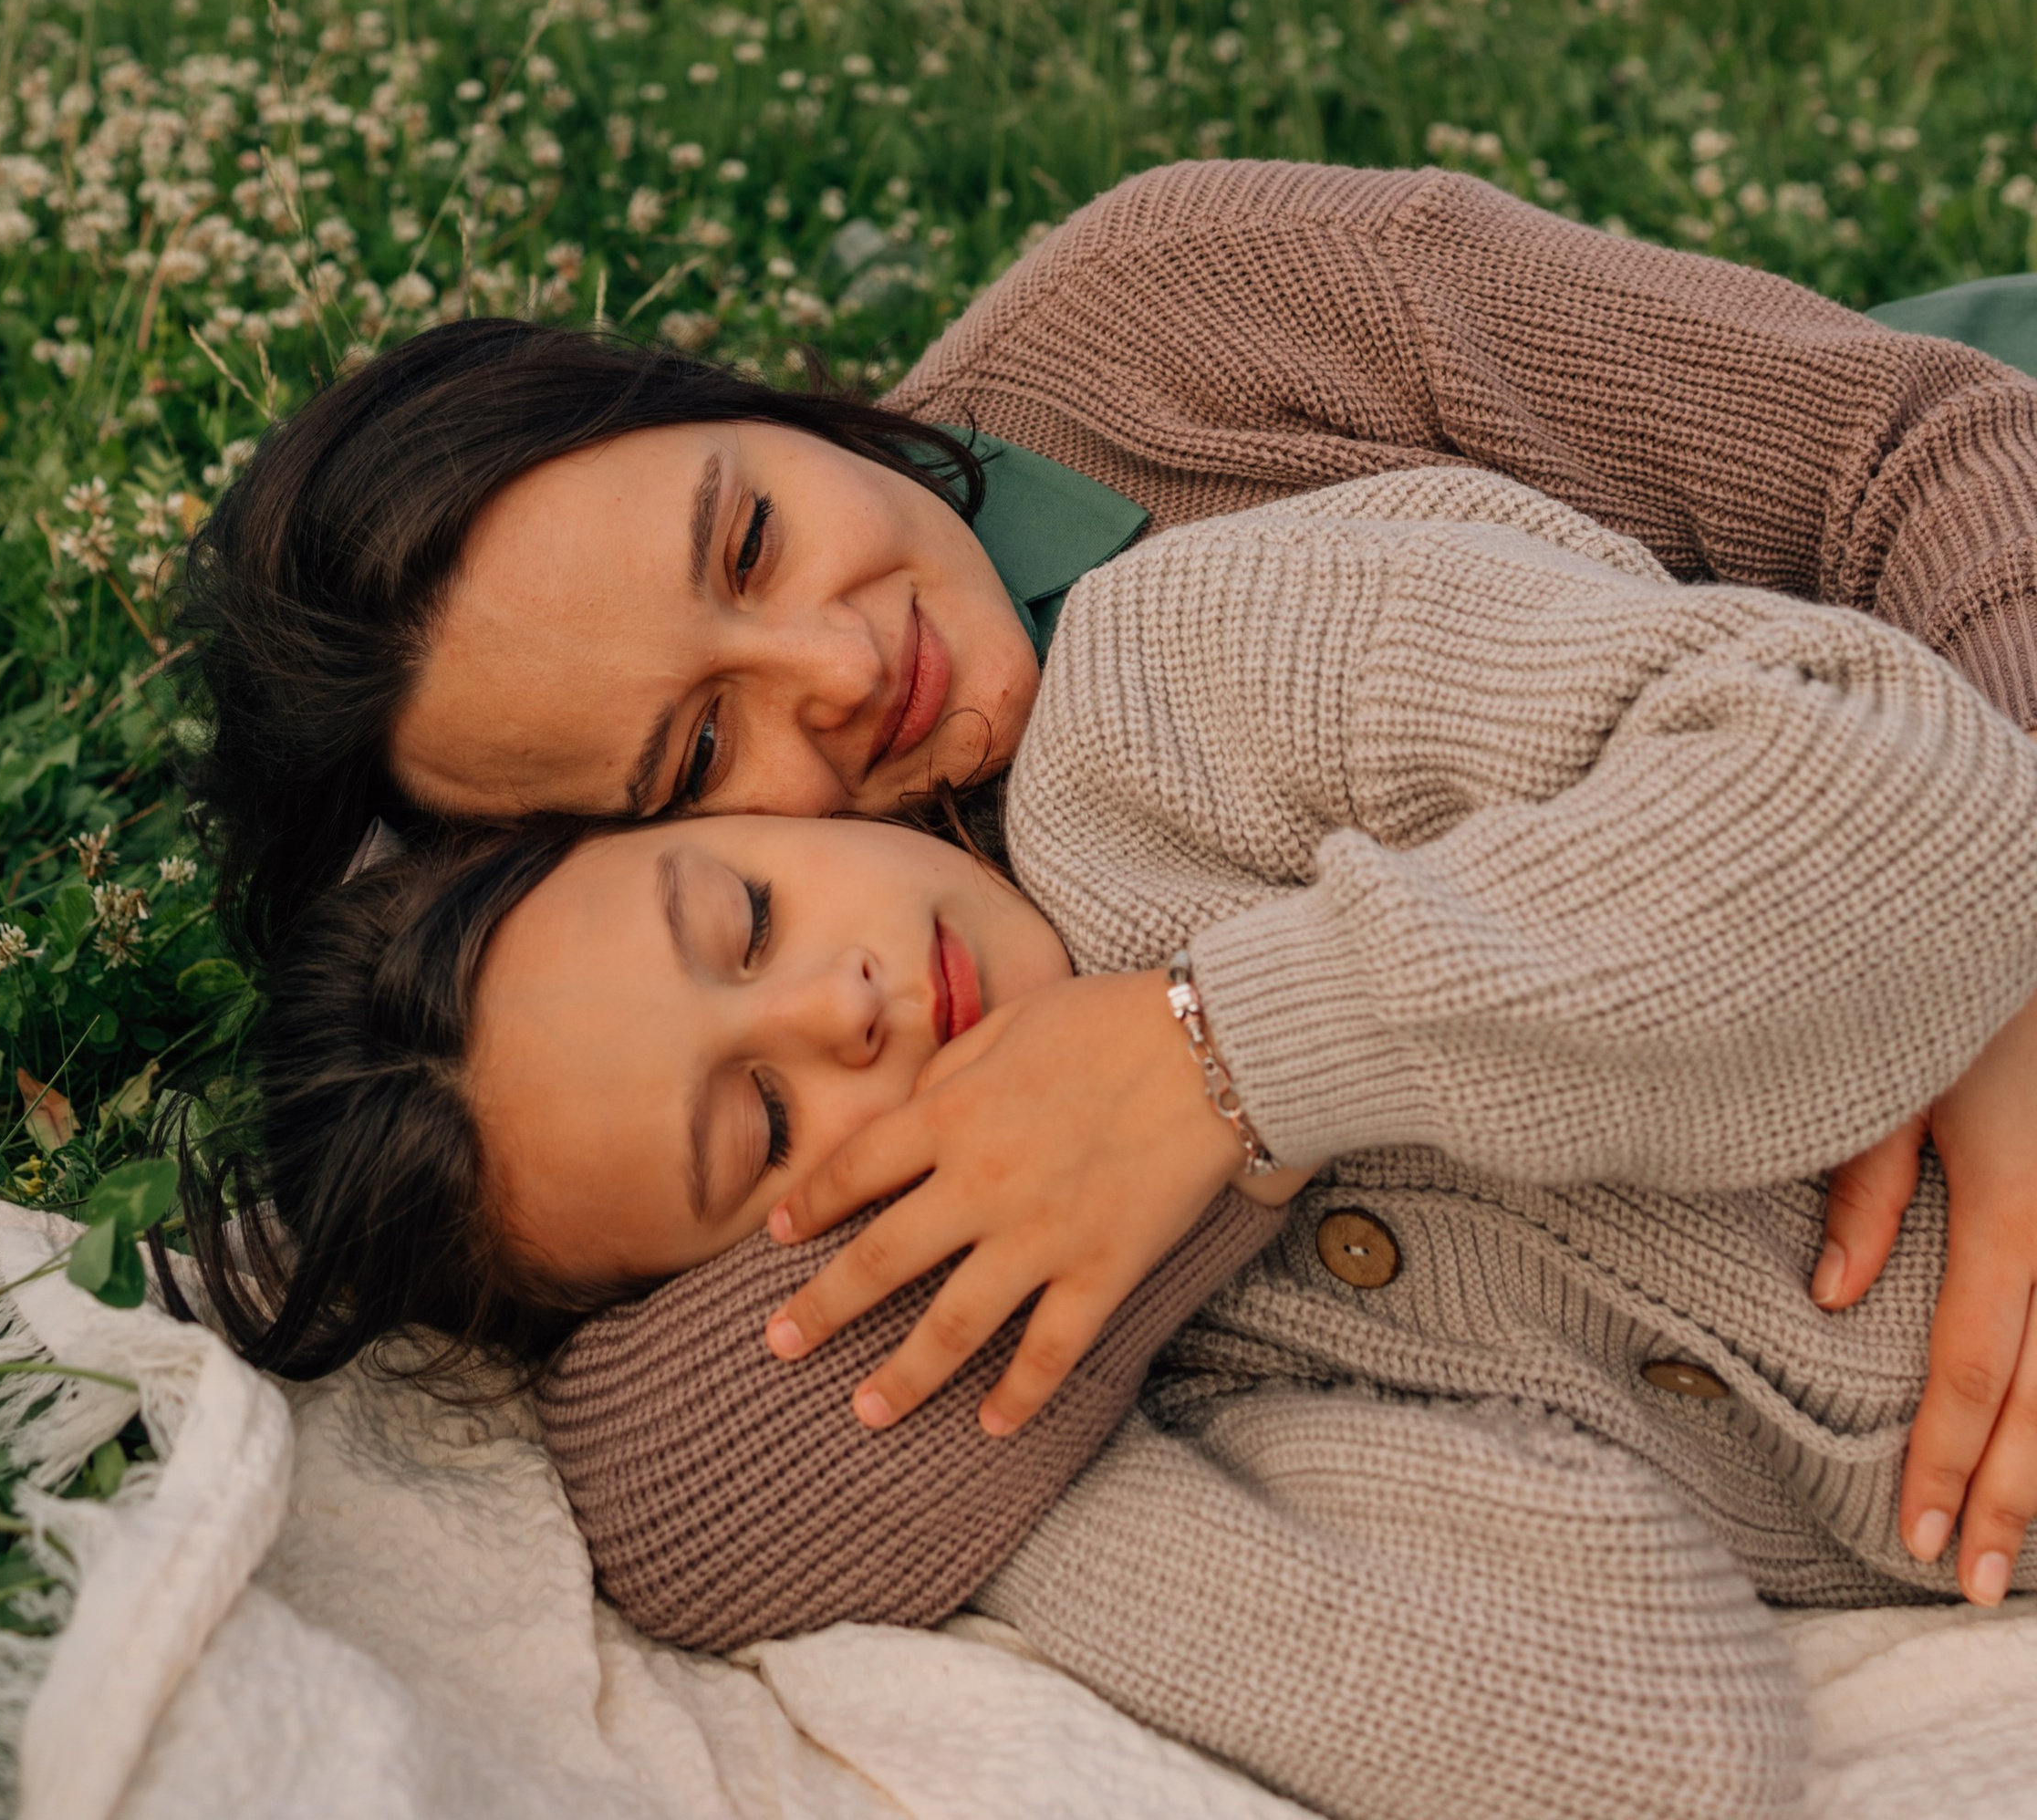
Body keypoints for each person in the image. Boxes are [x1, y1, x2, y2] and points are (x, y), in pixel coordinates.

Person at [175, 161, 2037, 1590]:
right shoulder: (855, 979)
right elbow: (690, 1477)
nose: (836, 673)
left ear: (719, 398)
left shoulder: (1170, 305)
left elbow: (1917, 444)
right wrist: (1181, 1079)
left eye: (745, 535)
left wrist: (1997, 948)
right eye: (691, 756)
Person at [186, 465, 2037, 1820]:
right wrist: (985, 1345)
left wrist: (1223, 1058)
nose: (838, 1011)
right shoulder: (1165, 1372)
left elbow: (1911, 786)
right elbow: (1646, 1751)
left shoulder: (1176, 701)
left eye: (738, 911)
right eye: (760, 1128)